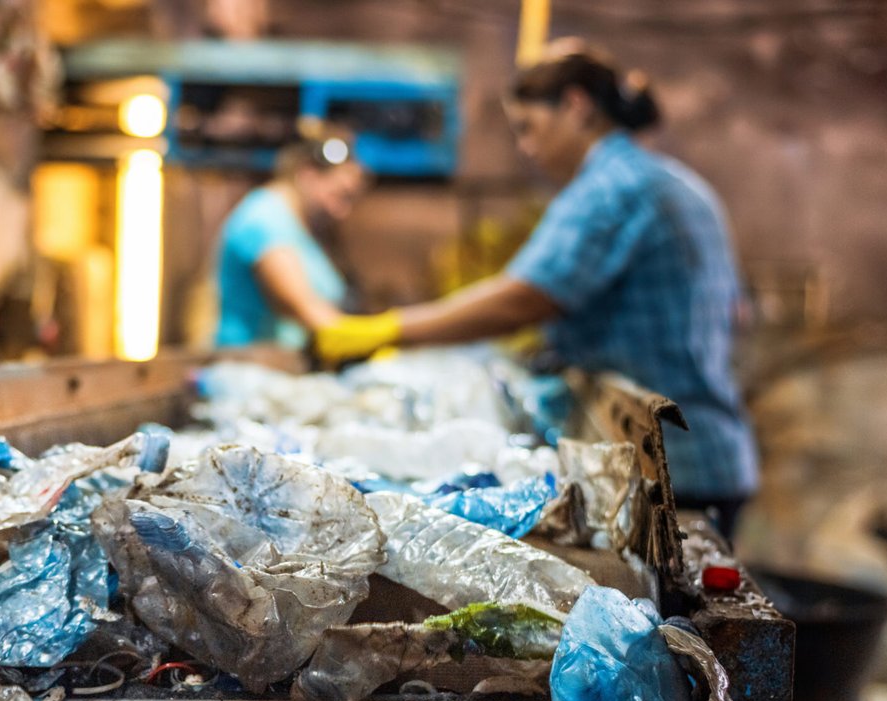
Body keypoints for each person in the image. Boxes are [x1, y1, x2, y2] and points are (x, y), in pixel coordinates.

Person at [315, 44, 757, 535]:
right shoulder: (669, 180)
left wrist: (388, 330)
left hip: (676, 468)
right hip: (704, 449)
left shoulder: (613, 186)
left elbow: (524, 297)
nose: (525, 147)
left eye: (528, 127)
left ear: (576, 105)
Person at [213, 131, 370, 349]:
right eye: (340, 195)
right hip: (249, 366)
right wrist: (389, 332)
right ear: (308, 175)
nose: (343, 212)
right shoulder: (265, 220)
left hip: (283, 366)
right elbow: (306, 310)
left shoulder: (303, 227)